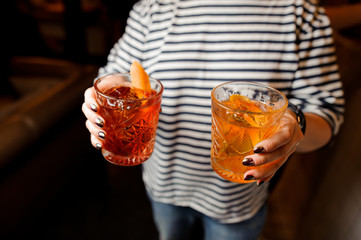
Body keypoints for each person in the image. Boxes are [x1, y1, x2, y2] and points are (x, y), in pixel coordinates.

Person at [81, 0, 344, 239]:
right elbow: (113, 75)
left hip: (237, 201)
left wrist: (295, 124)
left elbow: (327, 115)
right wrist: (103, 97)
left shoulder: (301, 13)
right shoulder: (152, 7)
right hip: (164, 188)